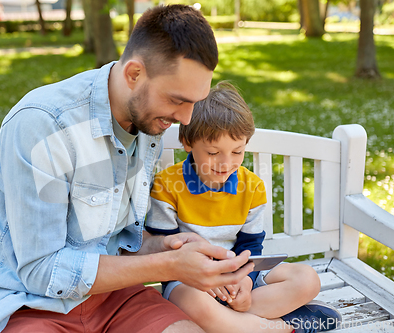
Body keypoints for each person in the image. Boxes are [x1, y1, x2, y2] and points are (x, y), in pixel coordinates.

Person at [0, 5, 255, 333]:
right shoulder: (45, 126)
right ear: (134, 74)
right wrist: (167, 264)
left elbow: (117, 241)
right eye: (178, 100)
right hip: (30, 305)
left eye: (195, 101)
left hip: (115, 297)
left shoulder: (148, 125)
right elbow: (41, 271)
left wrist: (166, 247)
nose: (186, 119)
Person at [145, 81, 343, 333]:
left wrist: (245, 284)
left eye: (237, 152)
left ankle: (227, 322)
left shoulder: (252, 187)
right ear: (187, 142)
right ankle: (287, 327)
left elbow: (250, 246)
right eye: (214, 152)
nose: (226, 163)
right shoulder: (167, 185)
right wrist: (205, 280)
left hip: (239, 275)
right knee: (196, 305)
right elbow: (166, 248)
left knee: (307, 279)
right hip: (190, 281)